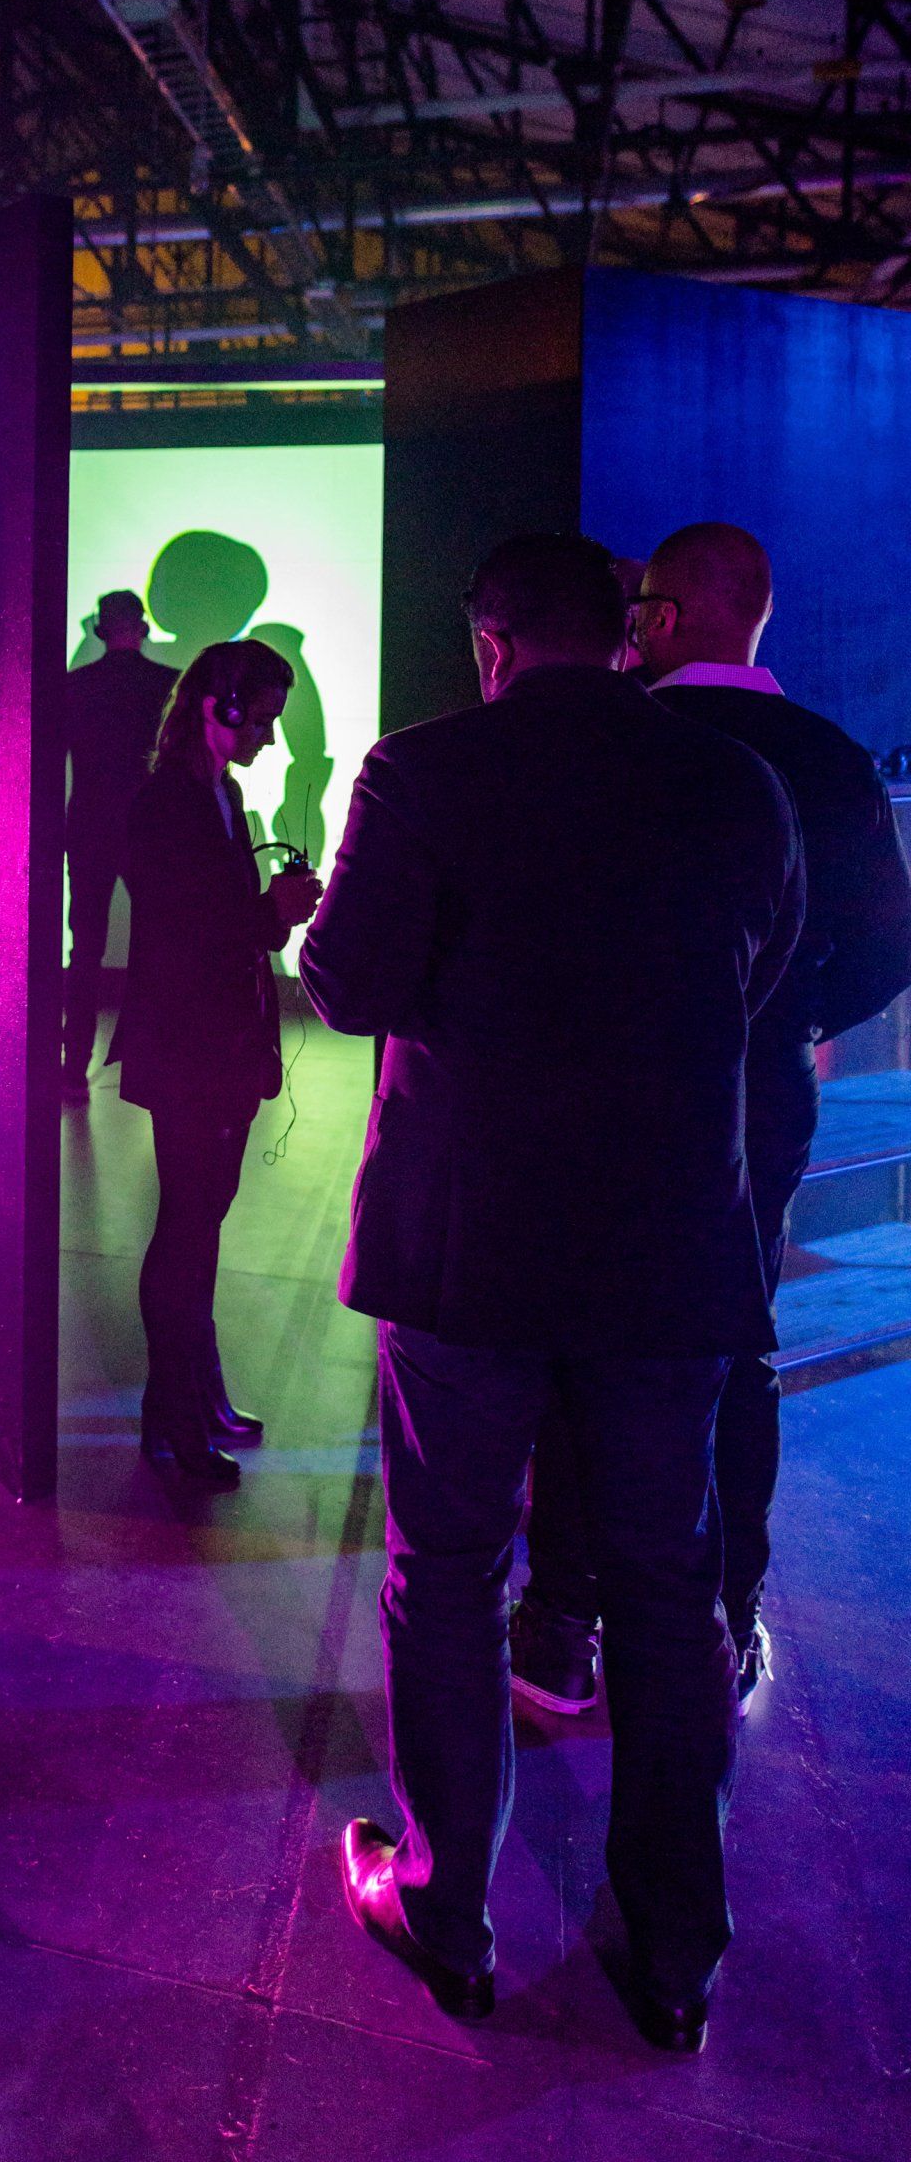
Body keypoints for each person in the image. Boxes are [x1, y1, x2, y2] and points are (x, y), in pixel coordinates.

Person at [300, 534, 801, 2048]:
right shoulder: (735, 781)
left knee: (446, 1575)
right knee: (665, 1588)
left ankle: (444, 1913)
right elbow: (763, 974)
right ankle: (678, 1955)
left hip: (473, 1250)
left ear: (494, 642)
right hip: (668, 1244)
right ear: (624, 635)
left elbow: (348, 986)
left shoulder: (419, 770)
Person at [516, 523, 911, 1715]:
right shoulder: (832, 760)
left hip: (602, 1091)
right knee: (736, 1344)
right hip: (757, 1091)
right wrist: (792, 1016)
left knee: (586, 1344)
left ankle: (560, 1628)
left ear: (665, 617)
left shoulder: (615, 741)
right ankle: (722, 1625)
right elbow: (891, 947)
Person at [112, 638, 322, 1487]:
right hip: (188, 1048)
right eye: (264, 717)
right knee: (188, 1231)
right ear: (220, 708)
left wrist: (267, 914)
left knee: (200, 1226)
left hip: (219, 1048)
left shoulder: (221, 795)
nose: (271, 737)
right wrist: (270, 913)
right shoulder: (165, 804)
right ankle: (177, 1422)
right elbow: (183, 937)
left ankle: (195, 1400)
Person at [63, 589, 173, 1096]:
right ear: (144, 627)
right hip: (150, 828)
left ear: (100, 630)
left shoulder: (76, 687)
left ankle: (73, 1069)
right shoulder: (167, 686)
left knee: (85, 949)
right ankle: (161, 1057)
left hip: (88, 827)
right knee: (161, 943)